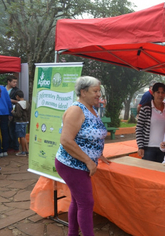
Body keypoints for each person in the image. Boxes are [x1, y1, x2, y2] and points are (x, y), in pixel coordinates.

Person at [55, 76, 110, 236]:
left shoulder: (92, 108)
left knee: (78, 201)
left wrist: (99, 154)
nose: (98, 94)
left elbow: (90, 136)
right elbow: (66, 140)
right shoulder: (76, 110)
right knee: (86, 202)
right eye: (95, 91)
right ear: (83, 92)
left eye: (99, 90)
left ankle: (72, 233)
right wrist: (88, 161)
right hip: (71, 164)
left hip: (81, 164)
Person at [136, 82, 165, 162]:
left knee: (162, 173)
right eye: (158, 92)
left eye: (162, 93)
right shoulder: (146, 108)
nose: (160, 95)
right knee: (148, 173)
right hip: (149, 148)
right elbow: (139, 128)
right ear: (153, 93)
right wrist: (140, 146)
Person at [11, 90, 30, 156]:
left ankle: (23, 152)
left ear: (18, 96)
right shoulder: (27, 103)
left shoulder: (18, 104)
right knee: (24, 136)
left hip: (19, 122)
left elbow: (18, 114)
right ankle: (27, 150)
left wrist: (13, 112)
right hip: (25, 121)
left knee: (21, 136)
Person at [5, 75, 20, 152]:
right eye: (14, 82)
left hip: (12, 112)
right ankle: (8, 145)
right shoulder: (3, 89)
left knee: (12, 129)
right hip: (4, 112)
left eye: (16, 82)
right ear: (8, 81)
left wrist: (9, 100)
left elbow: (20, 100)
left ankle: (15, 146)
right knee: (5, 129)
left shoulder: (16, 90)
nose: (15, 84)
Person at [0, 85, 13, 157]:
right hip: (4, 112)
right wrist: (10, 112)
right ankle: (5, 150)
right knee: (5, 131)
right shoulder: (3, 88)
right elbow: (8, 101)